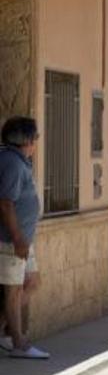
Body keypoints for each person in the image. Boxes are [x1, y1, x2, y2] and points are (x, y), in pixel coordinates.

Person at [0, 117, 49, 359]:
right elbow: (6, 204)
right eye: (35, 138)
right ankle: (18, 343)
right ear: (26, 140)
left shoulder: (20, 162)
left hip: (22, 241)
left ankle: (8, 333)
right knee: (14, 290)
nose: (36, 143)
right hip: (10, 241)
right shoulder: (12, 162)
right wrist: (18, 239)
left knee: (32, 282)